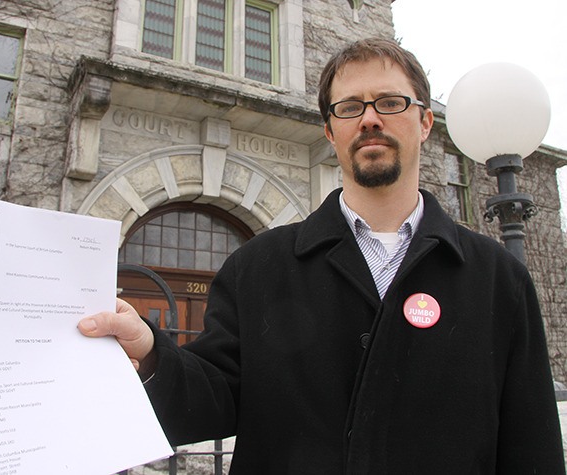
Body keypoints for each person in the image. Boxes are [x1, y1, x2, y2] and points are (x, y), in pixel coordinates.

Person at [78, 38, 565, 473]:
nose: (370, 118)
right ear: (331, 133)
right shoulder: (259, 266)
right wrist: (149, 351)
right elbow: (213, 398)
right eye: (349, 107)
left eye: (390, 102)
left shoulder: (498, 278)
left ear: (425, 122)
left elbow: (531, 444)